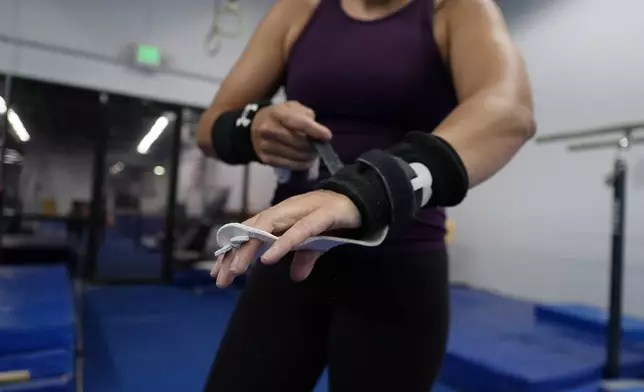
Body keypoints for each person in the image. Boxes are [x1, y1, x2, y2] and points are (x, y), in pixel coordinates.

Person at [196, 0, 535, 390]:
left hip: (402, 263)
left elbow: (510, 113)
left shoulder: (456, 8)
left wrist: (365, 192)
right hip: (289, 253)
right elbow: (207, 126)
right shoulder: (298, 9)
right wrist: (252, 128)